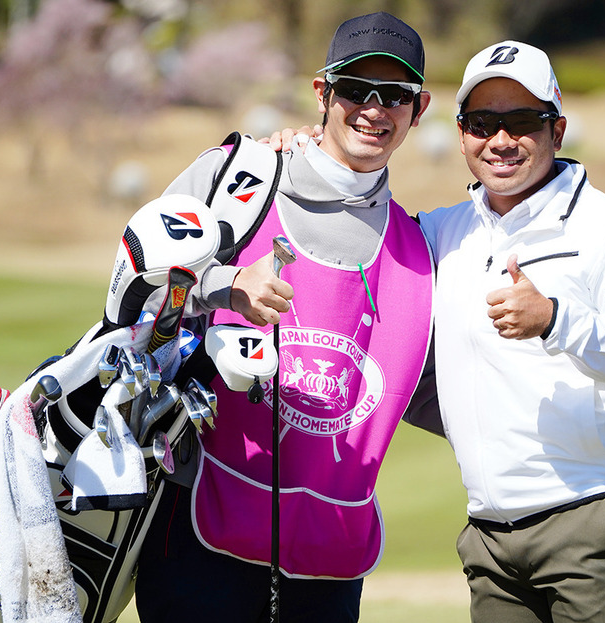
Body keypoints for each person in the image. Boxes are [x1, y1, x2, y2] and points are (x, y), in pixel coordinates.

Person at [134, 12, 435, 623]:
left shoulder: (421, 248)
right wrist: (221, 287)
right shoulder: (236, 178)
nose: (375, 109)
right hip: (196, 529)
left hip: (327, 558)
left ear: (419, 108)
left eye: (396, 95)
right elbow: (131, 294)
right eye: (355, 89)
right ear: (323, 92)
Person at [416, 41, 605, 622]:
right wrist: (301, 147)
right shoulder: (441, 233)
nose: (501, 141)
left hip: (591, 525)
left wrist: (556, 318)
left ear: (557, 130)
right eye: (482, 123)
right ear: (460, 134)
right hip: (488, 534)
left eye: (522, 122)